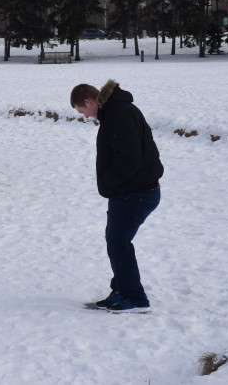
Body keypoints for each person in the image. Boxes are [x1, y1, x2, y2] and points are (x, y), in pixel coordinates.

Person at [71, 79, 163, 314]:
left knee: (119, 243)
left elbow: (129, 159)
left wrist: (110, 185)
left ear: (89, 101)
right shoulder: (116, 112)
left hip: (136, 193)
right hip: (132, 192)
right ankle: (122, 291)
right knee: (117, 243)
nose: (85, 116)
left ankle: (135, 299)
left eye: (83, 111)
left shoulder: (119, 114)